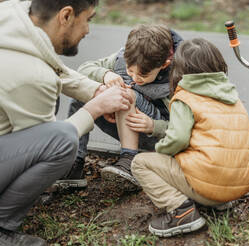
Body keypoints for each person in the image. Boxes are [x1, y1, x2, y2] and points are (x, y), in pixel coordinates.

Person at [0, 0, 133, 246]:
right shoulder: (32, 76)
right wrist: (96, 108)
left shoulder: (13, 13)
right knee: (62, 141)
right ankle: (2, 227)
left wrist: (97, 90)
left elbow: (52, 68)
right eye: (89, 19)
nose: (88, 31)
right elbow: (47, 138)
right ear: (66, 16)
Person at [131, 38, 249, 237]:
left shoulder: (186, 98)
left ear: (180, 70)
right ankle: (220, 201)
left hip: (209, 185)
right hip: (239, 185)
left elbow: (178, 139)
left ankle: (181, 212)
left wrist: (162, 153)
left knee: (140, 163)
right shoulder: (232, 96)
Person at [56, 24, 183, 191]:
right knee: (87, 92)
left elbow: (184, 129)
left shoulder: (179, 78)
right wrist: (105, 74)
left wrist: (154, 126)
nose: (135, 78)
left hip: (157, 136)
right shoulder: (124, 57)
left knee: (124, 94)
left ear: (165, 64)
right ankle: (75, 163)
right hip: (125, 124)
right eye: (130, 71)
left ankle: (128, 161)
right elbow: (84, 69)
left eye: (143, 75)